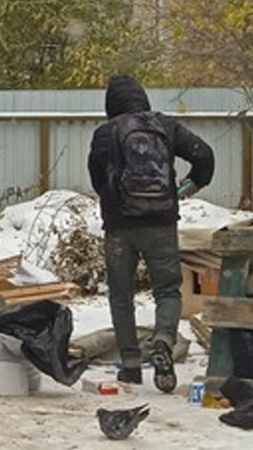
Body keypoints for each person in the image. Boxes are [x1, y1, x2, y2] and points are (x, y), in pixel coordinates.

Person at [86, 75, 214, 393]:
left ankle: (130, 366)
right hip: (161, 223)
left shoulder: (105, 133)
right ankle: (163, 342)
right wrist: (190, 185)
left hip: (119, 229)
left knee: (121, 295)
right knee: (168, 291)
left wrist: (114, 202)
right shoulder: (165, 126)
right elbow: (204, 155)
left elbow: (96, 178)